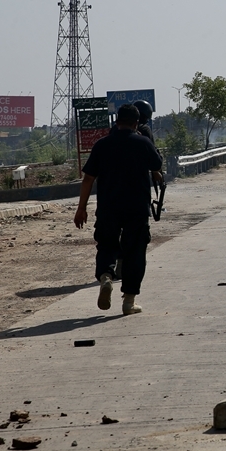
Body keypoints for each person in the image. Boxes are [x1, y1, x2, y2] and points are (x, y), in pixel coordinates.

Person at [75, 103, 164, 316]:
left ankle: (106, 276)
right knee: (135, 251)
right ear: (136, 123)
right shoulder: (143, 143)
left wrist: (81, 209)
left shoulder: (101, 145)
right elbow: (156, 166)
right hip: (136, 208)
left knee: (106, 245)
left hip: (108, 208)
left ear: (116, 121)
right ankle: (129, 301)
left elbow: (88, 178)